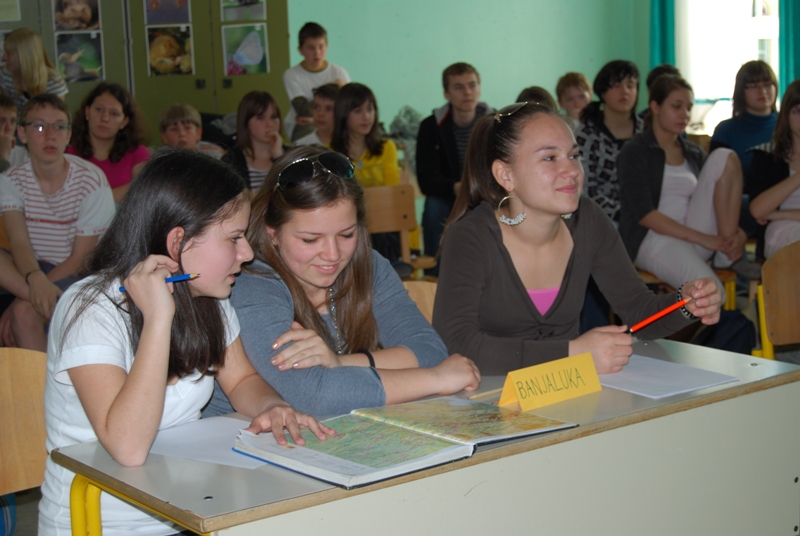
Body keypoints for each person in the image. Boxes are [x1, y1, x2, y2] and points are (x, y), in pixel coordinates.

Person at [38, 150, 332, 535]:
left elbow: (241, 380)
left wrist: (273, 407)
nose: (246, 254)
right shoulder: (91, 308)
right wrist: (159, 319)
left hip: (186, 512)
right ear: (178, 242)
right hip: (96, 523)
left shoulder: (207, 298)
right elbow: (127, 447)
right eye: (234, 238)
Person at [433, 101, 721, 376]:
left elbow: (638, 313)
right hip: (487, 397)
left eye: (573, 155)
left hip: (568, 394)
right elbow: (457, 342)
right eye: (549, 158)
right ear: (505, 175)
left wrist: (685, 304)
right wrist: (572, 353)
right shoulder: (471, 237)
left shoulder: (588, 221)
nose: (572, 171)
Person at [203, 146, 480, 418]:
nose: (333, 254)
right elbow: (314, 395)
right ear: (272, 233)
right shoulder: (251, 282)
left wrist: (339, 363)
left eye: (346, 234)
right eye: (310, 240)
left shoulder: (369, 265)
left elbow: (429, 350)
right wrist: (436, 379)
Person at [618, 75, 761, 303]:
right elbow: (645, 215)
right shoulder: (635, 151)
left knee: (725, 156)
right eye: (676, 106)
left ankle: (727, 253)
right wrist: (706, 240)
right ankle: (668, 327)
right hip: (654, 239)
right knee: (713, 295)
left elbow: (716, 200)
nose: (684, 114)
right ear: (655, 106)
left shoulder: (693, 153)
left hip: (696, 236)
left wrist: (736, 236)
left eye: (688, 108)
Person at [0, 93, 114, 351]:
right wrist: (34, 282)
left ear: (68, 134)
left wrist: (23, 299)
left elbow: (81, 259)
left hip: (81, 271)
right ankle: (32, 295)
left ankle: (45, 381)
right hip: (33, 268)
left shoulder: (91, 180)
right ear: (22, 133)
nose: (50, 135)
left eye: (59, 127)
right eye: (39, 126)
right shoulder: (11, 181)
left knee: (23, 314)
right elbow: (19, 242)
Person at [416, 63, 493, 273]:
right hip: (448, 196)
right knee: (433, 207)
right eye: (459, 87)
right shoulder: (430, 126)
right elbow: (426, 180)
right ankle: (435, 275)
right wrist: (457, 187)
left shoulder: (495, 123)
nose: (467, 92)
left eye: (472, 85)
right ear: (446, 94)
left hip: (486, 194)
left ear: (479, 89)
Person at [576, 60, 643, 223]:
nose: (624, 91)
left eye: (630, 85)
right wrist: (625, 215)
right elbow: (586, 192)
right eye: (617, 85)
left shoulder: (646, 132)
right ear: (602, 91)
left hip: (647, 216)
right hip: (602, 220)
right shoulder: (587, 136)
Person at [67, 82, 150, 204]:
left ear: (124, 122)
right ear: (87, 112)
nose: (105, 118)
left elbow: (144, 190)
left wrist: (93, 201)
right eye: (99, 109)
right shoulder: (67, 155)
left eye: (114, 114)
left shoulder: (138, 154)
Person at [748, 79, 800, 258]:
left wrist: (779, 214)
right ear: (786, 115)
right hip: (783, 231)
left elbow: (769, 214)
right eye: (797, 111)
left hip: (780, 218)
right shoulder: (767, 155)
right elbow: (758, 210)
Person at [283, 22, 349, 142]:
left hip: (332, 122)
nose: (317, 53)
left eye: (321, 47)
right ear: (300, 50)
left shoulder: (339, 72)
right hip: (303, 126)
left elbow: (348, 108)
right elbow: (303, 111)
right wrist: (335, 88)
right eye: (311, 48)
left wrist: (314, 119)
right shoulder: (292, 75)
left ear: (327, 46)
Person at [710, 60, 778, 175]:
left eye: (767, 85)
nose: (762, 91)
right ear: (741, 91)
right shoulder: (725, 130)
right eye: (753, 86)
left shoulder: (790, 124)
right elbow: (716, 176)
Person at [222, 90, 287, 191]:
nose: (269, 124)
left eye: (274, 117)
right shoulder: (231, 161)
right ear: (246, 122)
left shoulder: (291, 156)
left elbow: (296, 192)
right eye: (261, 118)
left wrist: (279, 158)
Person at [0, 28, 68, 112]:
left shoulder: (53, 81)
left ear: (25, 56)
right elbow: (7, 111)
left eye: (9, 53)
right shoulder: (5, 74)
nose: (4, 57)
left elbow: (55, 115)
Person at [159, 102, 224, 159]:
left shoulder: (213, 155)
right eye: (174, 129)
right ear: (164, 137)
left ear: (198, 133)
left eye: (187, 128)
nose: (181, 133)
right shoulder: (160, 160)